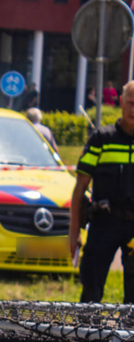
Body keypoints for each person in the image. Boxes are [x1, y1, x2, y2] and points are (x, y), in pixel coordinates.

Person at [70, 81, 134, 302]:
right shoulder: (101, 139)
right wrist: (74, 232)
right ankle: (87, 327)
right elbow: (80, 188)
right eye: (131, 103)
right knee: (91, 291)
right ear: (120, 102)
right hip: (105, 222)